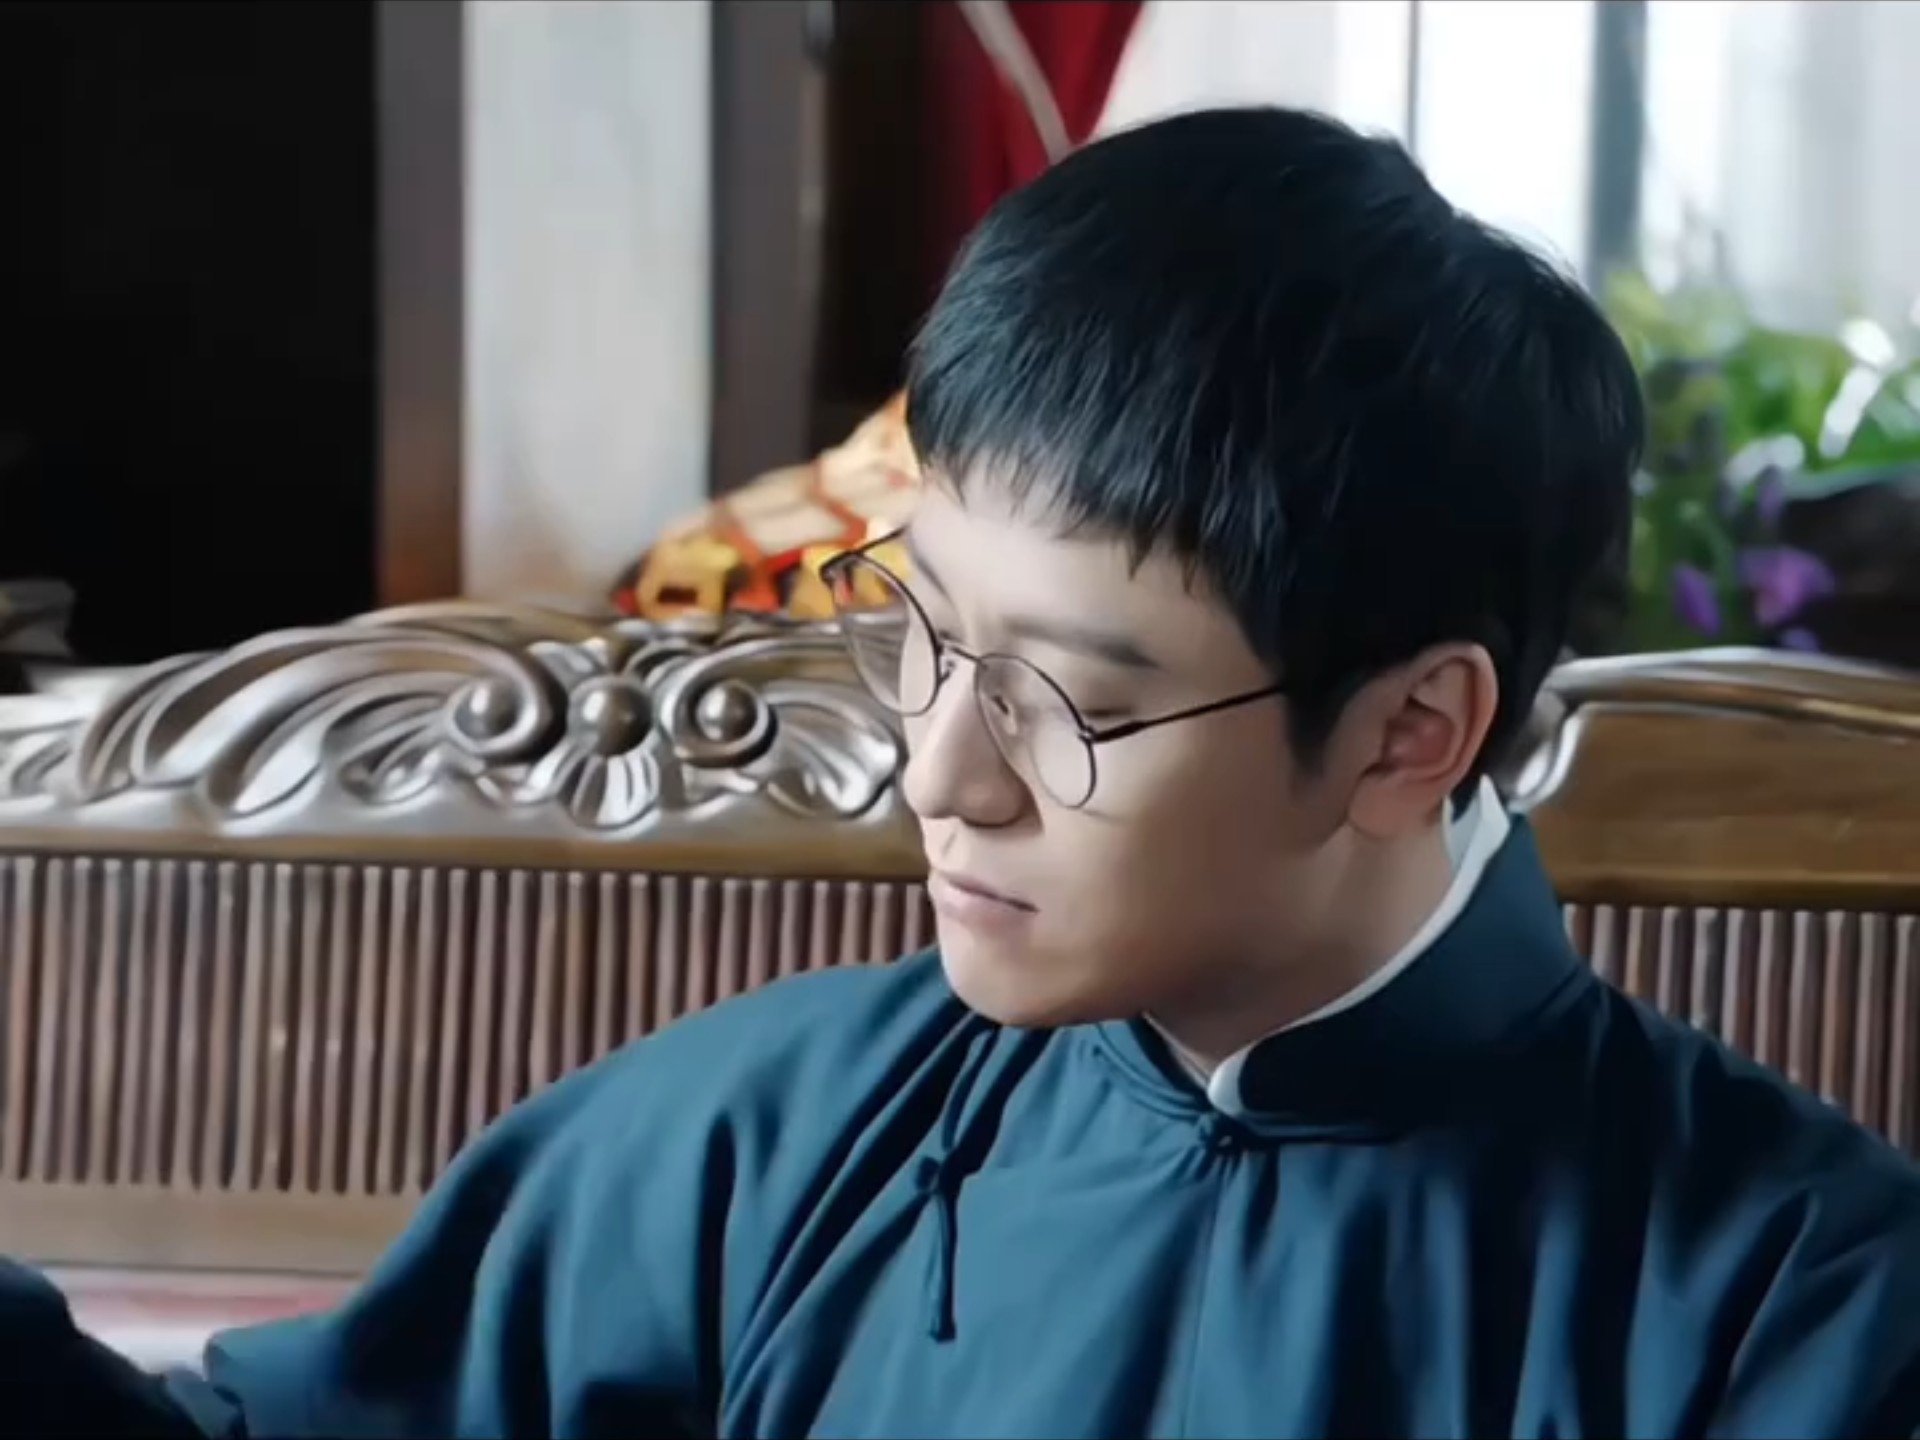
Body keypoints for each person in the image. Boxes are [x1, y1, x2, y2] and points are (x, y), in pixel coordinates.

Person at [7, 104, 1920, 1440]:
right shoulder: (765, 1140)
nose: (937, 771)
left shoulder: (1790, 1301)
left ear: (1412, 732)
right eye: (922, 628)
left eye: (1067, 701)